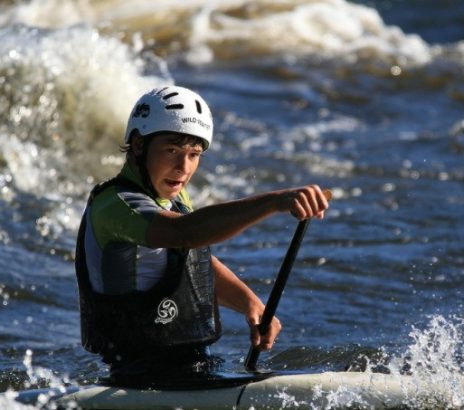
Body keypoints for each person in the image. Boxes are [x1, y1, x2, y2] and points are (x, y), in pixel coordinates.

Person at [74, 85, 329, 388]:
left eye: (194, 154)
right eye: (172, 150)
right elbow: (184, 233)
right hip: (136, 374)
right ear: (139, 145)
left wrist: (250, 304)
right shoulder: (115, 205)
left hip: (189, 365)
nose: (183, 168)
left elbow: (189, 257)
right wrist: (275, 202)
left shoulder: (174, 199)